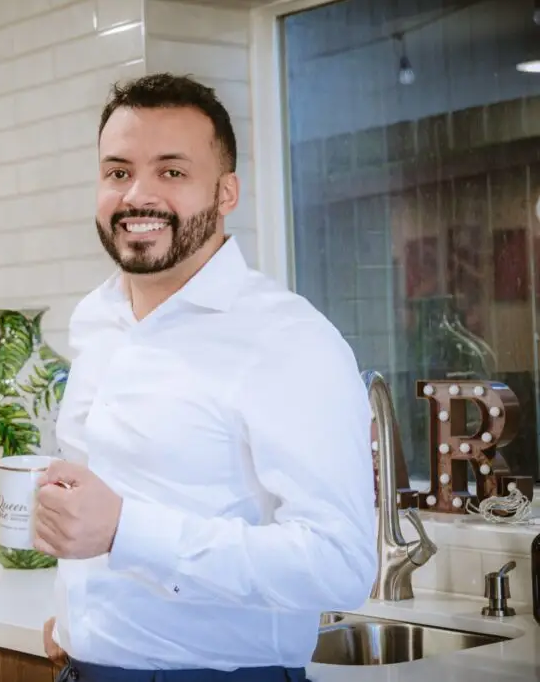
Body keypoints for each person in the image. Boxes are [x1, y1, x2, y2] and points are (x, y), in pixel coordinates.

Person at [31, 73, 378, 681]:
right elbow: (114, 493)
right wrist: (76, 619)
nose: (138, 196)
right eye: (118, 172)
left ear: (226, 193)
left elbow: (339, 565)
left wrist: (124, 530)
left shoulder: (288, 339)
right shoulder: (97, 317)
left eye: (172, 172)